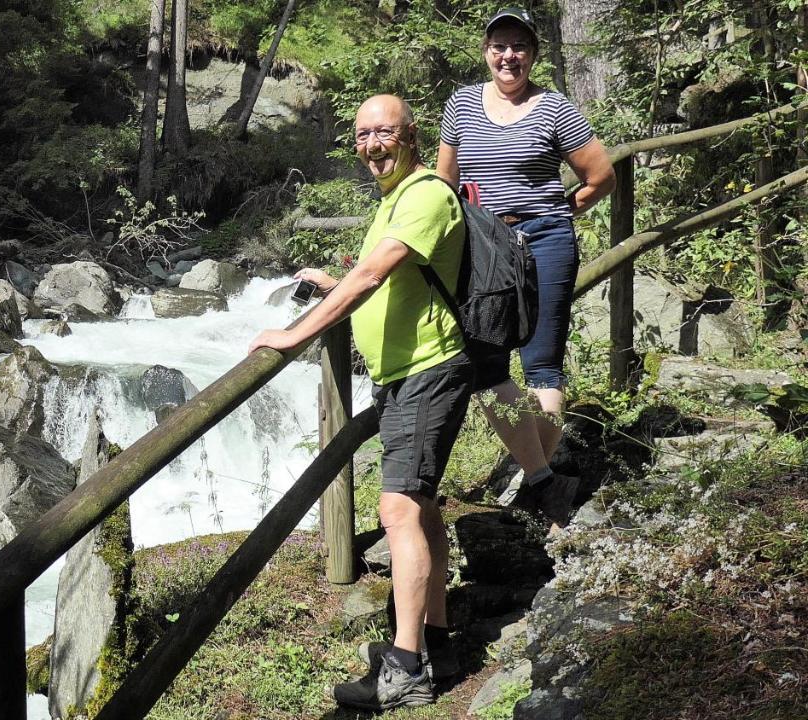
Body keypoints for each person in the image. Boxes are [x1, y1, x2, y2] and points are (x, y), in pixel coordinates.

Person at [249, 94, 469, 711]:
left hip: (429, 369)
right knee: (421, 508)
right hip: (406, 372)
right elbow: (375, 273)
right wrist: (333, 282)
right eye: (364, 137)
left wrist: (297, 333)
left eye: (385, 134)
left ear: (411, 136)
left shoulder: (425, 194)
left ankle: (407, 670)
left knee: (399, 508)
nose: (374, 146)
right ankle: (434, 639)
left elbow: (374, 274)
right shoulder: (393, 202)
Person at [436, 7, 615, 527]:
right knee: (487, 365)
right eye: (499, 46)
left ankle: (536, 484)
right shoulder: (462, 104)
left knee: (542, 363)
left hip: (545, 239)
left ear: (532, 55)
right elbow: (446, 185)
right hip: (485, 247)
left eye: (518, 46)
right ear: (486, 52)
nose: (508, 55)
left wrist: (563, 209)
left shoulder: (555, 109)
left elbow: (600, 177)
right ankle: (543, 479)